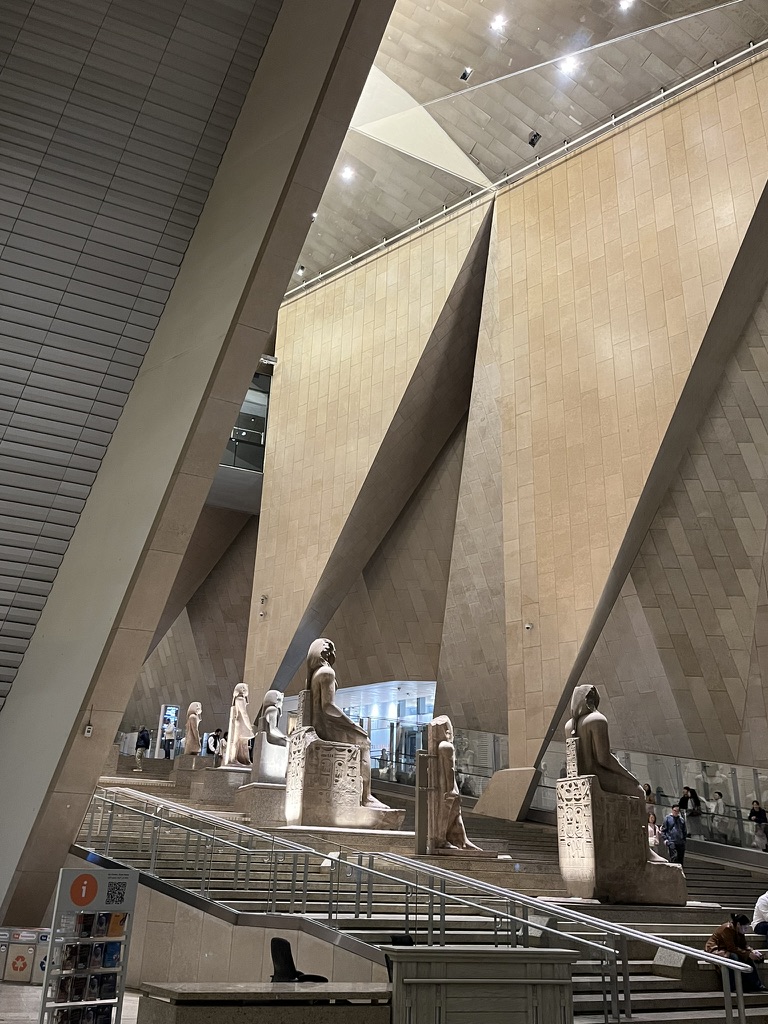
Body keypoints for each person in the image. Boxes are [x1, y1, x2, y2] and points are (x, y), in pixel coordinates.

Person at [705, 913, 765, 992]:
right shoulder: (726, 929)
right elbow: (731, 948)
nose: (746, 930)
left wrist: (752, 951)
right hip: (717, 949)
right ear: (739, 924)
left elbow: (744, 945)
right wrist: (748, 954)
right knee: (734, 957)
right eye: (745, 927)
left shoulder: (738, 930)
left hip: (728, 949)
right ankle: (732, 986)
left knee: (747, 958)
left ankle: (756, 984)